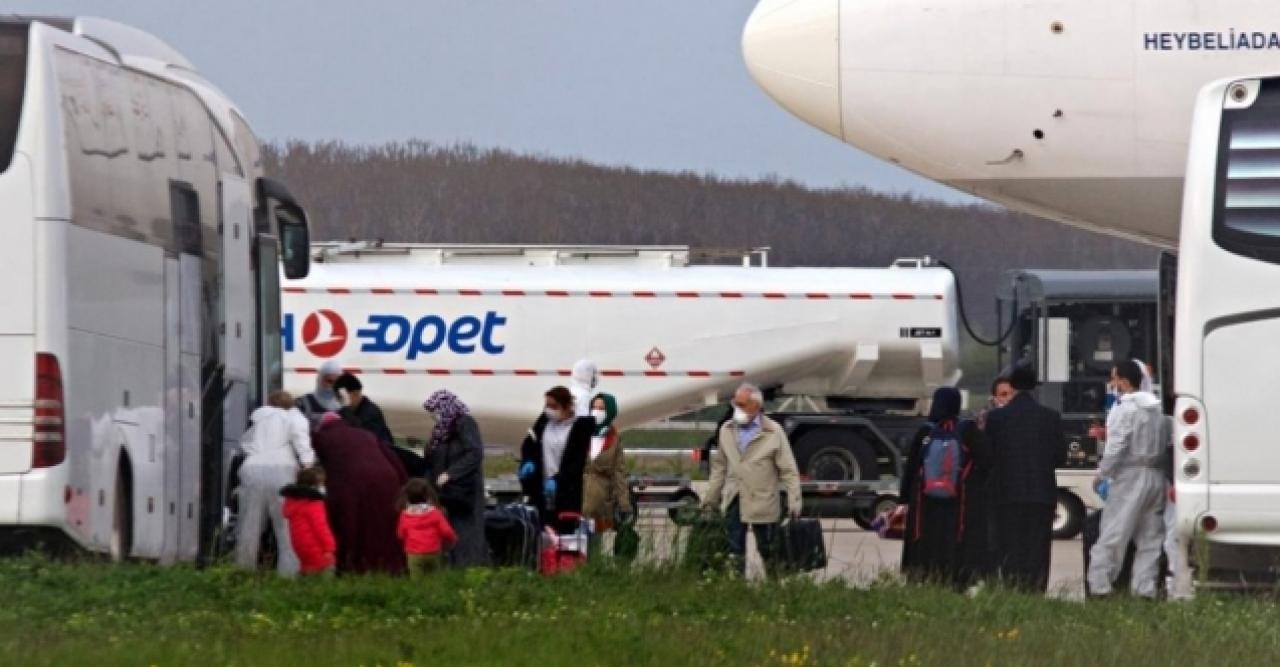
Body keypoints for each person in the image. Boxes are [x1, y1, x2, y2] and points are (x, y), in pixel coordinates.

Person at [1087, 360, 1169, 598]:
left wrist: (1102, 473)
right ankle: (1145, 589)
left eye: (1114, 379)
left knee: (1113, 532)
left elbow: (1116, 446)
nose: (1112, 384)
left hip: (1130, 476)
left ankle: (1100, 586)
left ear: (1123, 381)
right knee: (1151, 537)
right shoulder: (1156, 409)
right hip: (1155, 475)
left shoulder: (1125, 409)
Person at [701, 383, 802, 577]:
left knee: (768, 548)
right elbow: (719, 468)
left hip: (762, 500)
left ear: (756, 405)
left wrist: (794, 500)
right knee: (734, 549)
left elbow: (789, 470)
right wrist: (710, 499)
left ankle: (774, 586)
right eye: (735, 404)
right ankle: (737, 589)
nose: (736, 408)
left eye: (742, 404)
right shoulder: (726, 430)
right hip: (735, 498)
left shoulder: (773, 432)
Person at [899, 387, 993, 588]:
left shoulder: (925, 431)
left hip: (925, 502)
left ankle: (922, 576)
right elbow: (987, 461)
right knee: (955, 540)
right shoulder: (968, 430)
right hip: (959, 502)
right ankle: (957, 579)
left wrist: (904, 499)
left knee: (925, 539)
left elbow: (911, 469)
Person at [984, 364, 1065, 593]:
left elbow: (988, 456)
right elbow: (1060, 457)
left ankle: (1012, 588)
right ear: (1033, 388)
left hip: (1006, 493)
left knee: (1010, 544)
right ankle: (1036, 589)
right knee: (1037, 547)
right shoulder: (1050, 417)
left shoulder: (997, 418)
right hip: (1041, 493)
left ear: (1013, 387)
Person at [310, 412, 408, 575]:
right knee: (385, 526)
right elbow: (394, 460)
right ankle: (391, 569)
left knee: (353, 527)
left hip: (351, 485)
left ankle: (353, 568)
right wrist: (404, 485)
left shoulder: (321, 438)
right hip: (387, 481)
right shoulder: (366, 434)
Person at [235, 390, 314, 575]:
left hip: (252, 469)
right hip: (282, 471)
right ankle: (288, 574)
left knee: (249, 525)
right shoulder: (294, 417)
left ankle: (243, 570)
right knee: (285, 527)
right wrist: (308, 465)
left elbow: (245, 444)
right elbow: (302, 442)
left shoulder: (259, 418)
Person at [422, 389, 490, 567]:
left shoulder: (465, 423)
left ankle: (470, 568)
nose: (435, 416)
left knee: (467, 533)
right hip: (445, 493)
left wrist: (451, 473)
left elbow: (475, 453)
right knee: (448, 533)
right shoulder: (440, 432)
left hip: (465, 491)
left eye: (436, 411)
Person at [519, 386, 593, 522]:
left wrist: (558, 480)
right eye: (547, 405)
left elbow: (576, 463)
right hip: (541, 492)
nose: (549, 409)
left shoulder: (579, 428)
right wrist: (528, 461)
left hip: (566, 495)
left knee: (563, 536)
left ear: (566, 407)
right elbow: (529, 443)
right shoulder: (543, 422)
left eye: (553, 406)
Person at [582, 393, 633, 532]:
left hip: (601, 505)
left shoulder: (614, 439)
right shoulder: (581, 433)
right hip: (578, 503)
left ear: (610, 411)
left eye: (601, 408)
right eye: (594, 407)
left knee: (593, 544)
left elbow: (619, 472)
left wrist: (624, 504)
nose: (596, 411)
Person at [280, 466, 337, 576]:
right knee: (325, 572)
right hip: (316, 546)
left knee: (308, 568)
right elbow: (321, 527)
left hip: (300, 546)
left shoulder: (292, 502)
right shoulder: (313, 504)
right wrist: (329, 547)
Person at [396, 478, 458, 578]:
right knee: (435, 577)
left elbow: (400, 534)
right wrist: (453, 539)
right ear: (428, 495)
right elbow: (446, 531)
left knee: (416, 579)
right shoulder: (435, 513)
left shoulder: (405, 515)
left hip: (414, 553)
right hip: (433, 551)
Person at [334, 373, 395, 445]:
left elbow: (361, 435)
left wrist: (346, 408)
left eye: (341, 397)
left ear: (356, 393)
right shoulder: (344, 412)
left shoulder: (371, 412)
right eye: (338, 398)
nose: (339, 401)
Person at [297, 360, 343, 432]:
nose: (334, 386)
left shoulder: (345, 406)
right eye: (329, 381)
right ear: (319, 380)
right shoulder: (303, 403)